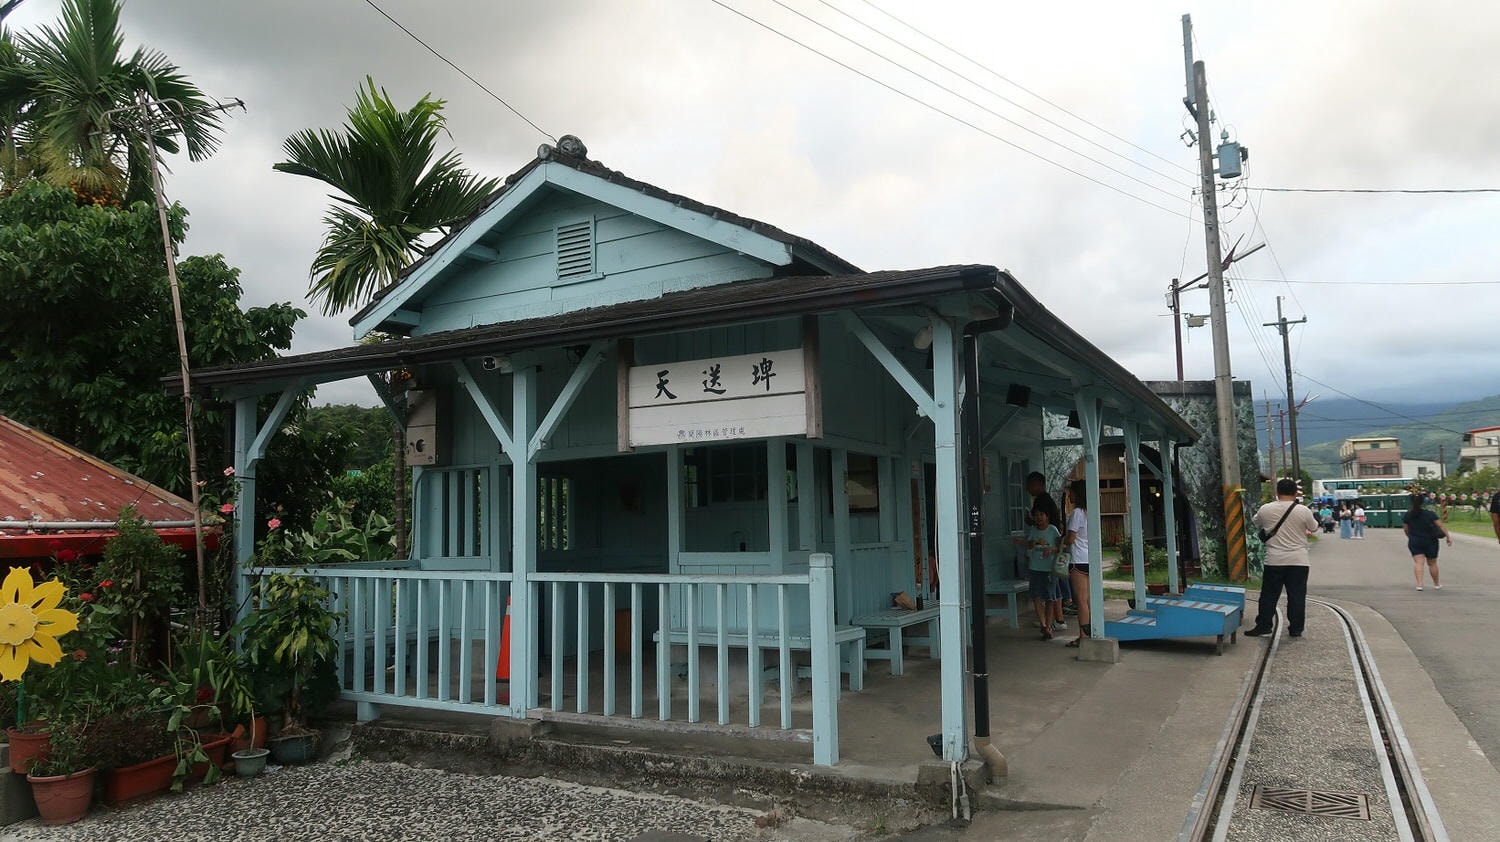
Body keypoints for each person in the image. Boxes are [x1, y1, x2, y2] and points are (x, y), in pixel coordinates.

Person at [1246, 478, 1320, 638]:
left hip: (1274, 559)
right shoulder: (1303, 510)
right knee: (1297, 595)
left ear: (1277, 492)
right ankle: (1296, 628)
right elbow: (1313, 527)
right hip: (1298, 560)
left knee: (1268, 594)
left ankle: (1264, 625)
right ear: (1295, 493)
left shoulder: (1266, 509)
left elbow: (1256, 522)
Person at [1026, 471, 1070, 630]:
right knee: (1053, 590)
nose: (1028, 489)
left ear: (1038, 484)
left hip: (1050, 555)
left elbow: (1050, 530)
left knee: (1052, 591)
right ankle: (1055, 620)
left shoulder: (1042, 501)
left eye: (1030, 485)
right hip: (1045, 558)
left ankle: (1057, 620)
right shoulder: (1047, 499)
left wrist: (1031, 522)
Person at [1013, 508, 1062, 640]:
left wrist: (1051, 549)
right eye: (1036, 515)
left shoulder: (1053, 530)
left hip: (1050, 569)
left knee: (1050, 597)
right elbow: (1030, 545)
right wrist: (1020, 542)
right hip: (1035, 567)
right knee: (1036, 596)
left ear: (1047, 516)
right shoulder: (1034, 530)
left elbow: (1061, 546)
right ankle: (1044, 625)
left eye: (1041, 514)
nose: (1039, 517)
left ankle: (1049, 623)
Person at [1063, 479, 1092, 648]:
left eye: (1071, 492)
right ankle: (1092, 631)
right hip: (1090, 559)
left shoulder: (1077, 513)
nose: (1069, 495)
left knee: (1080, 601)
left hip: (1078, 560)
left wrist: (1062, 540)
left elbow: (1071, 538)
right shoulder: (1091, 511)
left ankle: (1083, 636)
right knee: (1088, 600)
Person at [1402, 494, 1452, 591]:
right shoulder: (1430, 514)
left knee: (1419, 563)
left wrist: (1410, 537)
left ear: (1411, 502)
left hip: (1415, 540)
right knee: (1432, 563)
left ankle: (1419, 585)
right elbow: (1441, 526)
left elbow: (1405, 529)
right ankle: (1436, 584)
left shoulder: (1408, 514)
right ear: (1423, 502)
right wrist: (1448, 536)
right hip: (1431, 541)